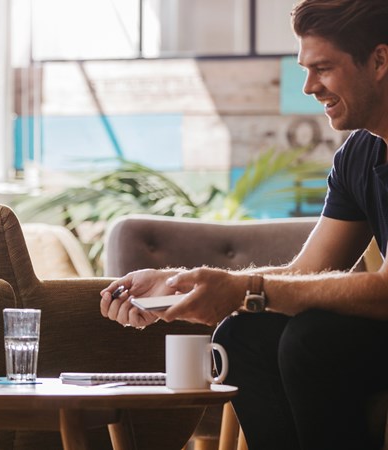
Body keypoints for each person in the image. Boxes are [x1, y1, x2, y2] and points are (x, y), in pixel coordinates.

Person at [99, 1, 388, 449]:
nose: (310, 86)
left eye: (324, 68)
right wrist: (178, 285)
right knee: (243, 334)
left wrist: (246, 291)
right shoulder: (358, 157)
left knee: (312, 340)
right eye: (305, 69)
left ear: (380, 61)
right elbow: (306, 272)